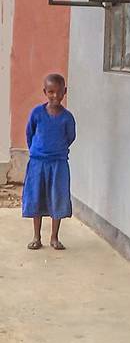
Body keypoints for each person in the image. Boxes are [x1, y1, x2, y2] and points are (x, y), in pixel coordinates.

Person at [22, 73, 76, 251]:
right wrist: (36, 151)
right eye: (50, 92)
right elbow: (30, 134)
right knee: (36, 197)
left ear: (64, 92)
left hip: (58, 164)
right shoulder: (37, 113)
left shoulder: (67, 117)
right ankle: (36, 237)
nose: (55, 96)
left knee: (57, 197)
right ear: (45, 92)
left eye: (59, 92)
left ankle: (54, 237)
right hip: (38, 163)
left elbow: (70, 137)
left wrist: (57, 151)